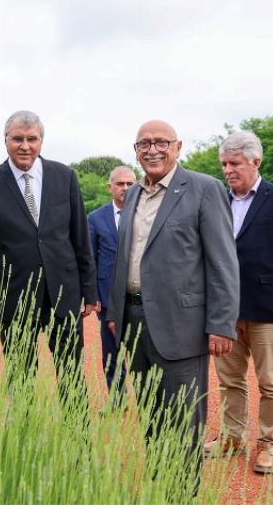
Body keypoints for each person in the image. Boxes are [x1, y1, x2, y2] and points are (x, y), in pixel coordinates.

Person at [105, 119, 239, 483]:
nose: (153, 149)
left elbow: (223, 261)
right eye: (144, 143)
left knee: (182, 420)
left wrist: (221, 323)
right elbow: (125, 257)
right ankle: (161, 486)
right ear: (135, 151)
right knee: (151, 414)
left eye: (161, 142)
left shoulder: (203, 188)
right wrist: (115, 311)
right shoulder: (132, 194)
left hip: (182, 326)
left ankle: (182, 491)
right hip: (133, 321)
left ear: (178, 147)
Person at [0, 110, 97, 405]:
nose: (25, 146)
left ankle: (80, 448)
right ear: (5, 140)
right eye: (18, 139)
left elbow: (80, 236)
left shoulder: (64, 177)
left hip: (63, 295)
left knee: (72, 378)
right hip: (15, 296)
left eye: (32, 139)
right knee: (21, 378)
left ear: (41, 141)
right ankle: (26, 442)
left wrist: (90, 290)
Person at [204, 131, 273, 475]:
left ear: (255, 162)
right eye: (224, 164)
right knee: (230, 380)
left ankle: (270, 445)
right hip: (225, 310)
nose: (228, 170)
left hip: (267, 309)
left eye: (234, 163)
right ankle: (233, 438)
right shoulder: (217, 199)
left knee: (271, 383)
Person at [88, 166, 136, 392]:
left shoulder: (146, 214)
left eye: (130, 184)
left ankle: (149, 404)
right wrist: (93, 295)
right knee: (112, 351)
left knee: (141, 350)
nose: (125, 188)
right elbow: (90, 260)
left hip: (141, 296)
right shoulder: (96, 218)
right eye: (120, 184)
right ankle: (117, 400)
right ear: (110, 187)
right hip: (107, 298)